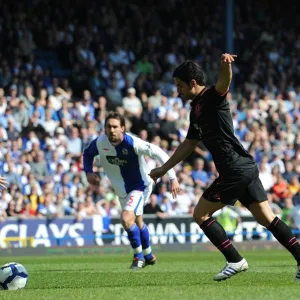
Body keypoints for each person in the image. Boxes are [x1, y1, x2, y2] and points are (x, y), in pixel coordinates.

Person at [149, 54, 300, 282]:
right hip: (245, 166)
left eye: (180, 86)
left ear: (192, 83)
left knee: (201, 214)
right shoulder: (195, 110)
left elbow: (223, 85)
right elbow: (189, 144)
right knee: (267, 218)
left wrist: (225, 66)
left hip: (234, 170)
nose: (177, 91)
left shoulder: (211, 97)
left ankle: (235, 260)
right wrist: (164, 168)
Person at [83, 112, 180, 270]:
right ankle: (148, 255)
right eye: (108, 127)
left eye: (115, 127)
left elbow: (159, 153)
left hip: (140, 186)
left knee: (126, 219)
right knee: (137, 221)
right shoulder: (100, 142)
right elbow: (87, 154)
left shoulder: (133, 143)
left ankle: (138, 257)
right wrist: (88, 171)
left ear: (123, 128)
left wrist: (172, 177)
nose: (112, 130)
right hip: (121, 190)